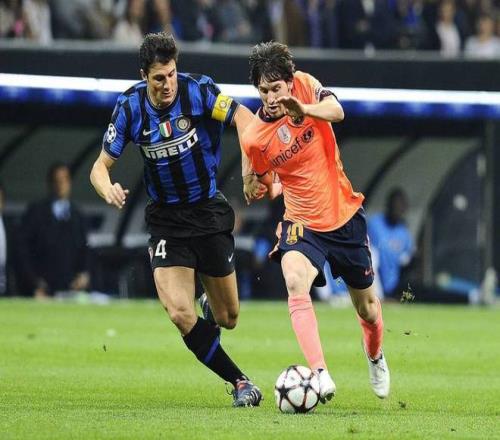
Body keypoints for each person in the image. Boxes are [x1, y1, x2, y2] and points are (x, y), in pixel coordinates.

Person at [90, 32, 262, 407]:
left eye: (170, 74)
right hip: (166, 220)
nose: (167, 84)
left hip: (207, 211)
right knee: (179, 313)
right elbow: (99, 167)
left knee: (228, 317)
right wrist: (107, 189)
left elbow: (245, 117)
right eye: (158, 78)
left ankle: (210, 306)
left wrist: (249, 170)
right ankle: (240, 382)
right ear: (143, 75)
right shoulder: (130, 107)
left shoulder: (199, 90)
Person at [240, 41, 390, 401]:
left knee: (368, 310)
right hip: (301, 221)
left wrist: (303, 109)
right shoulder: (255, 137)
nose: (271, 97)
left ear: (290, 82)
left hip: (343, 215)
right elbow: (267, 179)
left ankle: (375, 356)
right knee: (294, 280)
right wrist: (255, 182)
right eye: (263, 90)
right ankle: (320, 374)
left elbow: (338, 111)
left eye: (276, 88)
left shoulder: (306, 86)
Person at [18, 163, 90, 299]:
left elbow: (84, 249)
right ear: (50, 184)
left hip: (71, 289)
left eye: (64, 180)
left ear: (70, 183)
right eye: (57, 181)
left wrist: (83, 274)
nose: (61, 185)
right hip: (43, 288)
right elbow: (23, 251)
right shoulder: (36, 212)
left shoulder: (78, 214)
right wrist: (33, 283)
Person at [368, 188, 414, 299]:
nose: (397, 209)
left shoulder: (404, 232)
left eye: (401, 207)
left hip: (394, 285)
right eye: (395, 205)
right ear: (388, 205)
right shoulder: (374, 224)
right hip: (374, 282)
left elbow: (407, 259)